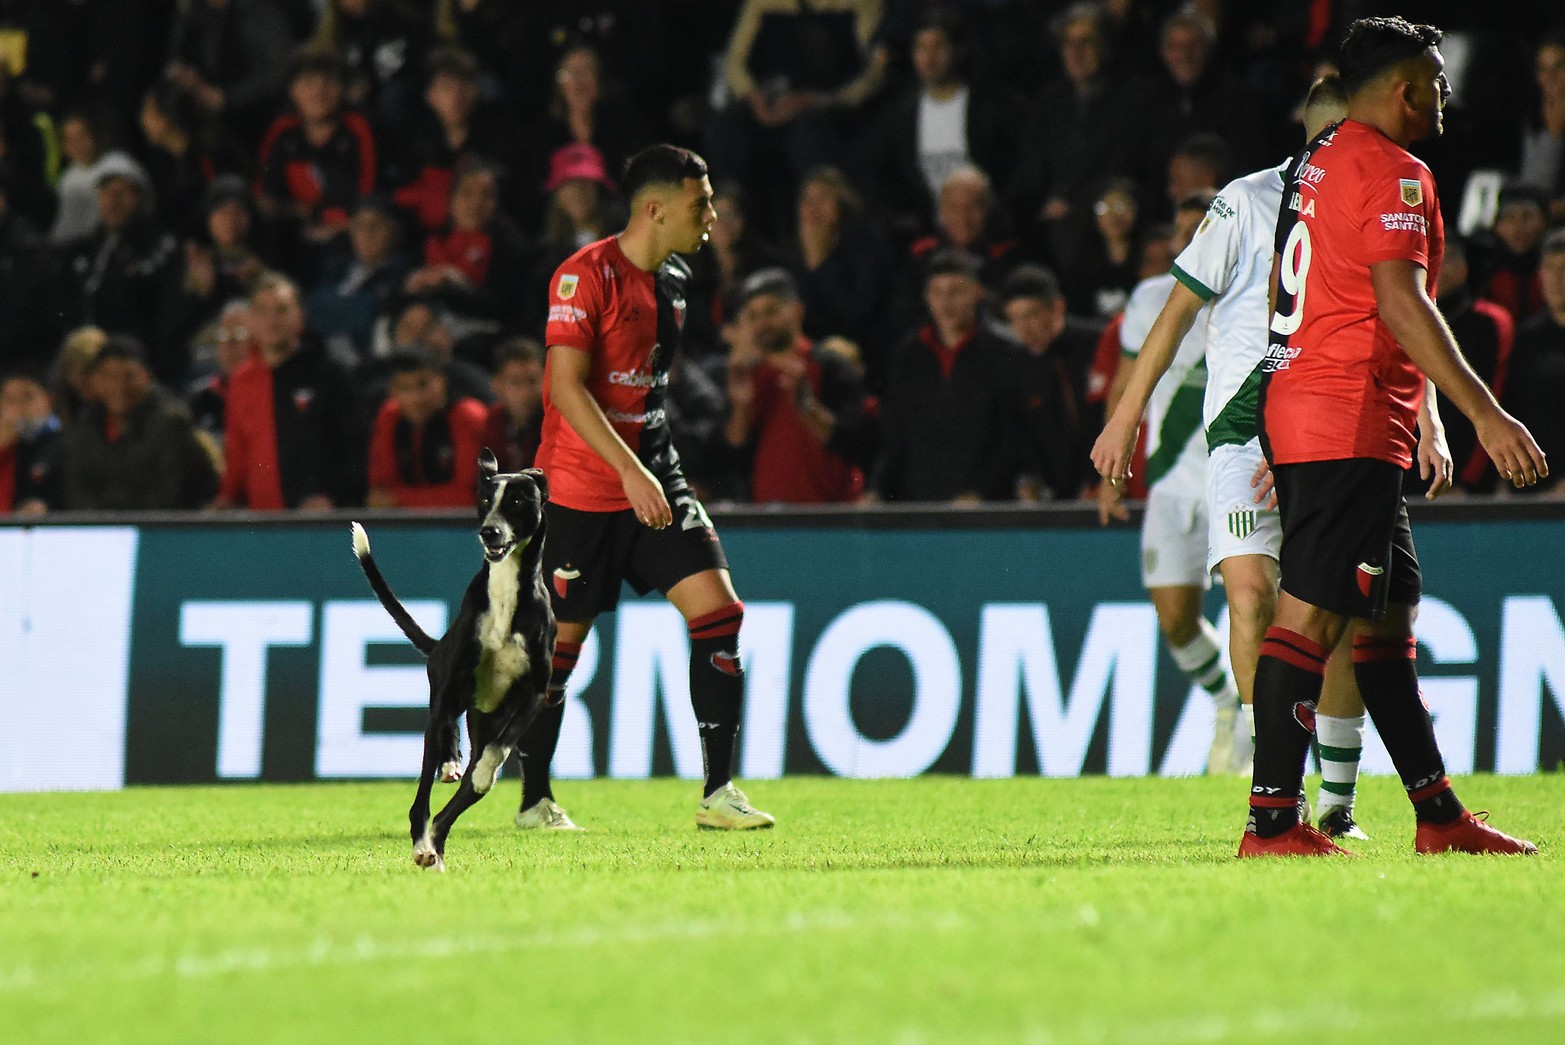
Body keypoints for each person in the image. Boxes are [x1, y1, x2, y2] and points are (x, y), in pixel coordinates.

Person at [1242, 17, 1544, 856]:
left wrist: (1416, 412)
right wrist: (1485, 410)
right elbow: (1400, 303)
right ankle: (1271, 820)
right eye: (1437, 82)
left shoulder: (1321, 156)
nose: (1446, 95)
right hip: (1347, 410)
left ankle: (1438, 815)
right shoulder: (1395, 171)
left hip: (1322, 401)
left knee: (1383, 615)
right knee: (1311, 614)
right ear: (1406, 91)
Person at [1094, 78, 1384, 827]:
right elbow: (1176, 307)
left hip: (1331, 426)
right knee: (1250, 596)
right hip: (1240, 432)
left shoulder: (1373, 204)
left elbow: (1395, 315)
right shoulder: (1244, 201)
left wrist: (1426, 418)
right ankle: (1272, 789)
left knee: (1335, 612)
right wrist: (1125, 414)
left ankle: (1339, 798)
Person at [515, 144, 774, 832]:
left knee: (720, 614)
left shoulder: (679, 278)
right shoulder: (581, 276)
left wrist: (649, 466)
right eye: (702, 203)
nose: (713, 214)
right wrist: (626, 468)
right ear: (655, 209)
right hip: (583, 488)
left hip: (655, 478)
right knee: (557, 655)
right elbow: (565, 389)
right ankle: (533, 797)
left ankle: (718, 792)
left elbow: (646, 386)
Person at [1094, 190, 1249, 776]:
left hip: (1238, 480)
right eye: (1183, 230)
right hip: (1170, 488)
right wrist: (1113, 470)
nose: (1192, 240)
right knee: (1177, 621)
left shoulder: (1255, 296)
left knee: (1252, 606)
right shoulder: (1151, 298)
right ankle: (1225, 701)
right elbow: (1126, 379)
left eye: (1202, 228)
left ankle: (1266, 743)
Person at [872, 247, 1020, 503]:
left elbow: (1013, 436)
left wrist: (982, 492)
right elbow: (895, 433)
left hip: (985, 507)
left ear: (977, 293)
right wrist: (877, 490)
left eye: (956, 292)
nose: (945, 303)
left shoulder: (1005, 352)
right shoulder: (910, 355)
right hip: (919, 503)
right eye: (937, 292)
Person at [723, 267, 875, 503]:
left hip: (831, 515)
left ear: (796, 311)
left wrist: (806, 406)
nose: (762, 323)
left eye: (771, 311)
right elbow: (733, 455)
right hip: (767, 519)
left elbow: (857, 443)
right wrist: (741, 409)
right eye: (753, 316)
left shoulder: (830, 366)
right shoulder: (747, 377)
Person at [216, 271, 367, 511]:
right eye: (262, 311)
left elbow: (356, 447)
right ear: (251, 320)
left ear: (300, 317)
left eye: (282, 310)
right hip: (263, 525)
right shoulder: (241, 381)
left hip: (320, 523)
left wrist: (334, 497)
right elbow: (237, 455)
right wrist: (226, 499)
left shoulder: (329, 374)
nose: (272, 320)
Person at [54, 335, 219, 511]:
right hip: (103, 531)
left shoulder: (170, 423)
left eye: (129, 376)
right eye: (109, 376)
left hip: (160, 531)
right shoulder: (86, 427)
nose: (119, 386)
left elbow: (170, 494)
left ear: (146, 376)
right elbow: (78, 489)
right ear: (96, 380)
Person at [997, 265, 1092, 502]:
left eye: (1031, 315)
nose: (1023, 329)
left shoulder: (1096, 346)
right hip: (1053, 500)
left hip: (1105, 488)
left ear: (1057, 308)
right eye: (1014, 319)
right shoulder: (1016, 365)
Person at [365, 347, 488, 509]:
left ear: (442, 381)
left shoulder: (467, 416)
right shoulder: (389, 416)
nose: (415, 397)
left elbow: (471, 497)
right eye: (404, 388)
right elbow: (381, 493)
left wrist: (400, 498)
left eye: (423, 385)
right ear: (392, 391)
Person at [1503, 227, 1565, 497]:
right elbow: (1510, 408)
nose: (1558, 278)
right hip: (1532, 494)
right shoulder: (1524, 339)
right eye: (1550, 268)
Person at [0, 369, 61, 514]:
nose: (20, 408)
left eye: (28, 397)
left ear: (49, 400)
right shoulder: (7, 449)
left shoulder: (66, 445)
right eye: (10, 400)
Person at [483, 337, 545, 473]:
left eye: (533, 380)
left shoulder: (553, 423)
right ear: (496, 384)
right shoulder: (492, 422)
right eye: (515, 382)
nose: (525, 392)